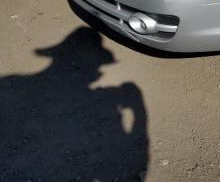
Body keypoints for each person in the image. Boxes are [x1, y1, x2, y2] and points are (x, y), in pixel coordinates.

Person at [0, 27, 148, 180]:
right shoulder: (103, 103)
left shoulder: (10, 83)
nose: (98, 71)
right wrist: (138, 109)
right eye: (97, 65)